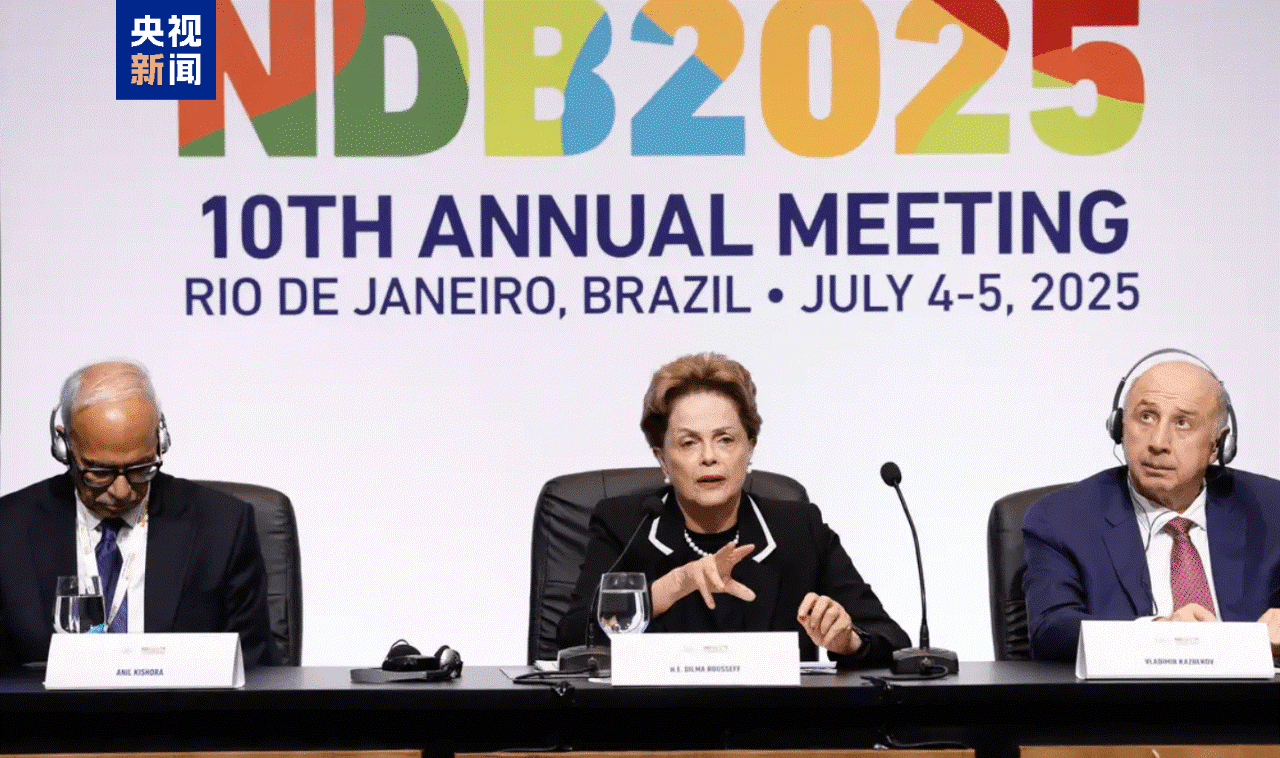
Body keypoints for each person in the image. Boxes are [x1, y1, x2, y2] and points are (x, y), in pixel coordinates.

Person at [557, 353, 909, 668]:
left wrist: (849, 640)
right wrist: (675, 585)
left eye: (725, 439)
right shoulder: (625, 525)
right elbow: (573, 639)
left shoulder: (799, 529)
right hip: (656, 717)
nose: (709, 456)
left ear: (750, 448)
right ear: (662, 459)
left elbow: (891, 639)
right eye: (688, 442)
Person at [0, 360, 278, 666]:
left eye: (140, 468)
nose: (122, 491)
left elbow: (256, 669)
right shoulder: (9, 528)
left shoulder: (222, 525)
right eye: (99, 472)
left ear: (161, 442)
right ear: (64, 447)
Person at [1022, 351, 1280, 661]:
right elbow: (1050, 632)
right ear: (1119, 427)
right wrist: (1160, 633)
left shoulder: (1270, 509)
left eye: (1182, 423)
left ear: (1218, 445)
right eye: (1146, 417)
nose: (1158, 442)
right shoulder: (1061, 518)